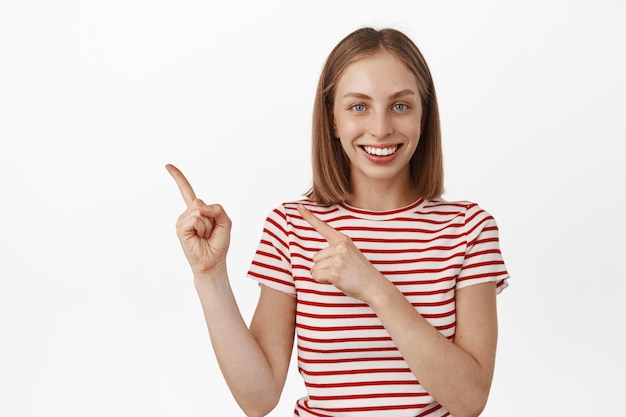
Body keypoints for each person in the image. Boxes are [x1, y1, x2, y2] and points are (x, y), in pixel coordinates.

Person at [166, 26, 509, 417]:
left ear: (424, 116)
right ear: (332, 120)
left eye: (400, 105)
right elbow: (258, 399)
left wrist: (375, 289)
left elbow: (470, 401)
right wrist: (210, 277)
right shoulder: (291, 227)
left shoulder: (469, 229)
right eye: (358, 106)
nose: (380, 128)